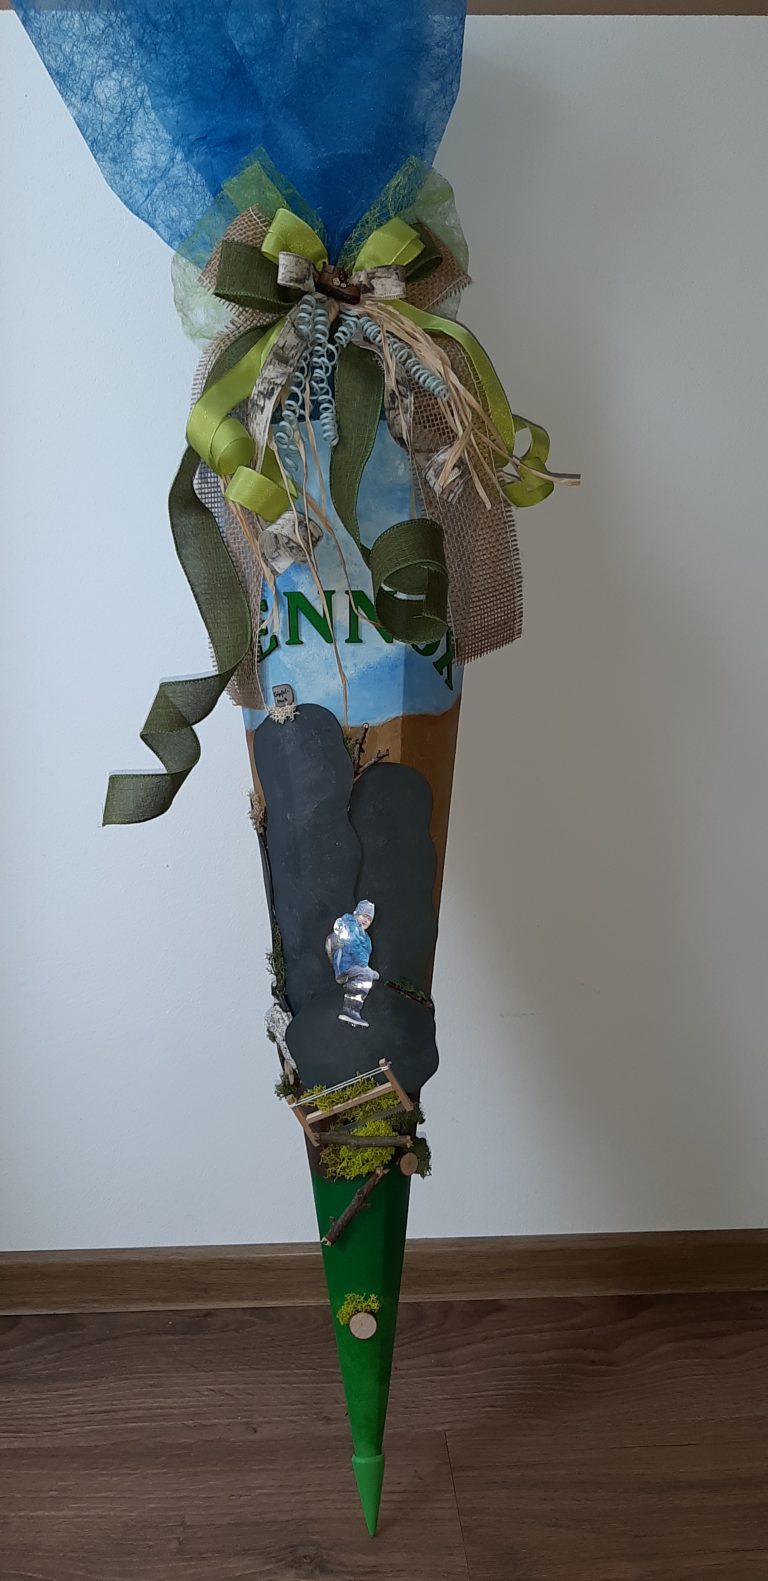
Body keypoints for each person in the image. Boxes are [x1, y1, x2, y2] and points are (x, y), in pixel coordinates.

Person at [326, 899, 379, 1027]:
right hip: (345, 963)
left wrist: (365, 966)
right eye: (364, 916)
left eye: (369, 919)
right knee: (364, 977)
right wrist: (364, 965)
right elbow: (353, 945)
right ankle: (351, 1010)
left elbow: (366, 953)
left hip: (355, 964)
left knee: (367, 975)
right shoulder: (350, 924)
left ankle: (362, 976)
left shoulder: (365, 938)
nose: (366, 920)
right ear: (357, 913)